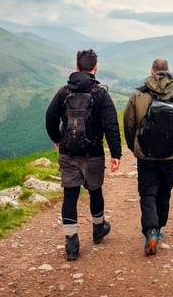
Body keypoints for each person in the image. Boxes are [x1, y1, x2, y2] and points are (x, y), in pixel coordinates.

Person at [45, 49, 122, 261]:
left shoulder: (63, 92)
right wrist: (116, 153)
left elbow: (50, 117)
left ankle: (71, 244)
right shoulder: (101, 94)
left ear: (76, 67)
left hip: (68, 152)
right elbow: (111, 125)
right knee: (95, 191)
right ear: (95, 68)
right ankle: (98, 229)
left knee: (70, 195)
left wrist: (57, 139)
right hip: (93, 153)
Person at [123, 58, 173, 256]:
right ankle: (159, 227)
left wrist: (134, 146)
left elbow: (129, 124)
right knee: (164, 192)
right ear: (169, 72)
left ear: (151, 71)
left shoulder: (138, 94)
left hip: (145, 155)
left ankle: (151, 230)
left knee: (147, 193)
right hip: (169, 156)